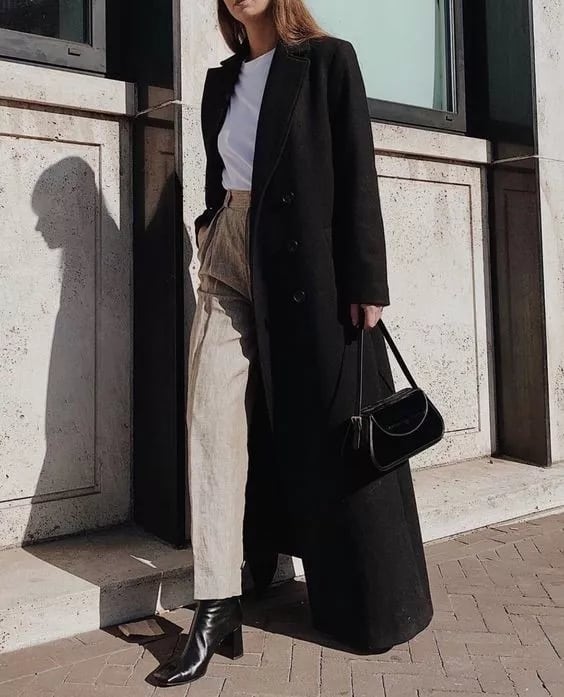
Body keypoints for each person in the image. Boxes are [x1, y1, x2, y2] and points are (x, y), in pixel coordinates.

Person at [153, 0, 433, 687]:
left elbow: (357, 169)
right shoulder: (222, 81)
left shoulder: (327, 61)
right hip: (228, 252)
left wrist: (366, 280)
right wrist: (209, 228)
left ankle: (362, 593)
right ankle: (217, 603)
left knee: (328, 427)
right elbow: (222, 173)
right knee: (211, 418)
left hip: (304, 266)